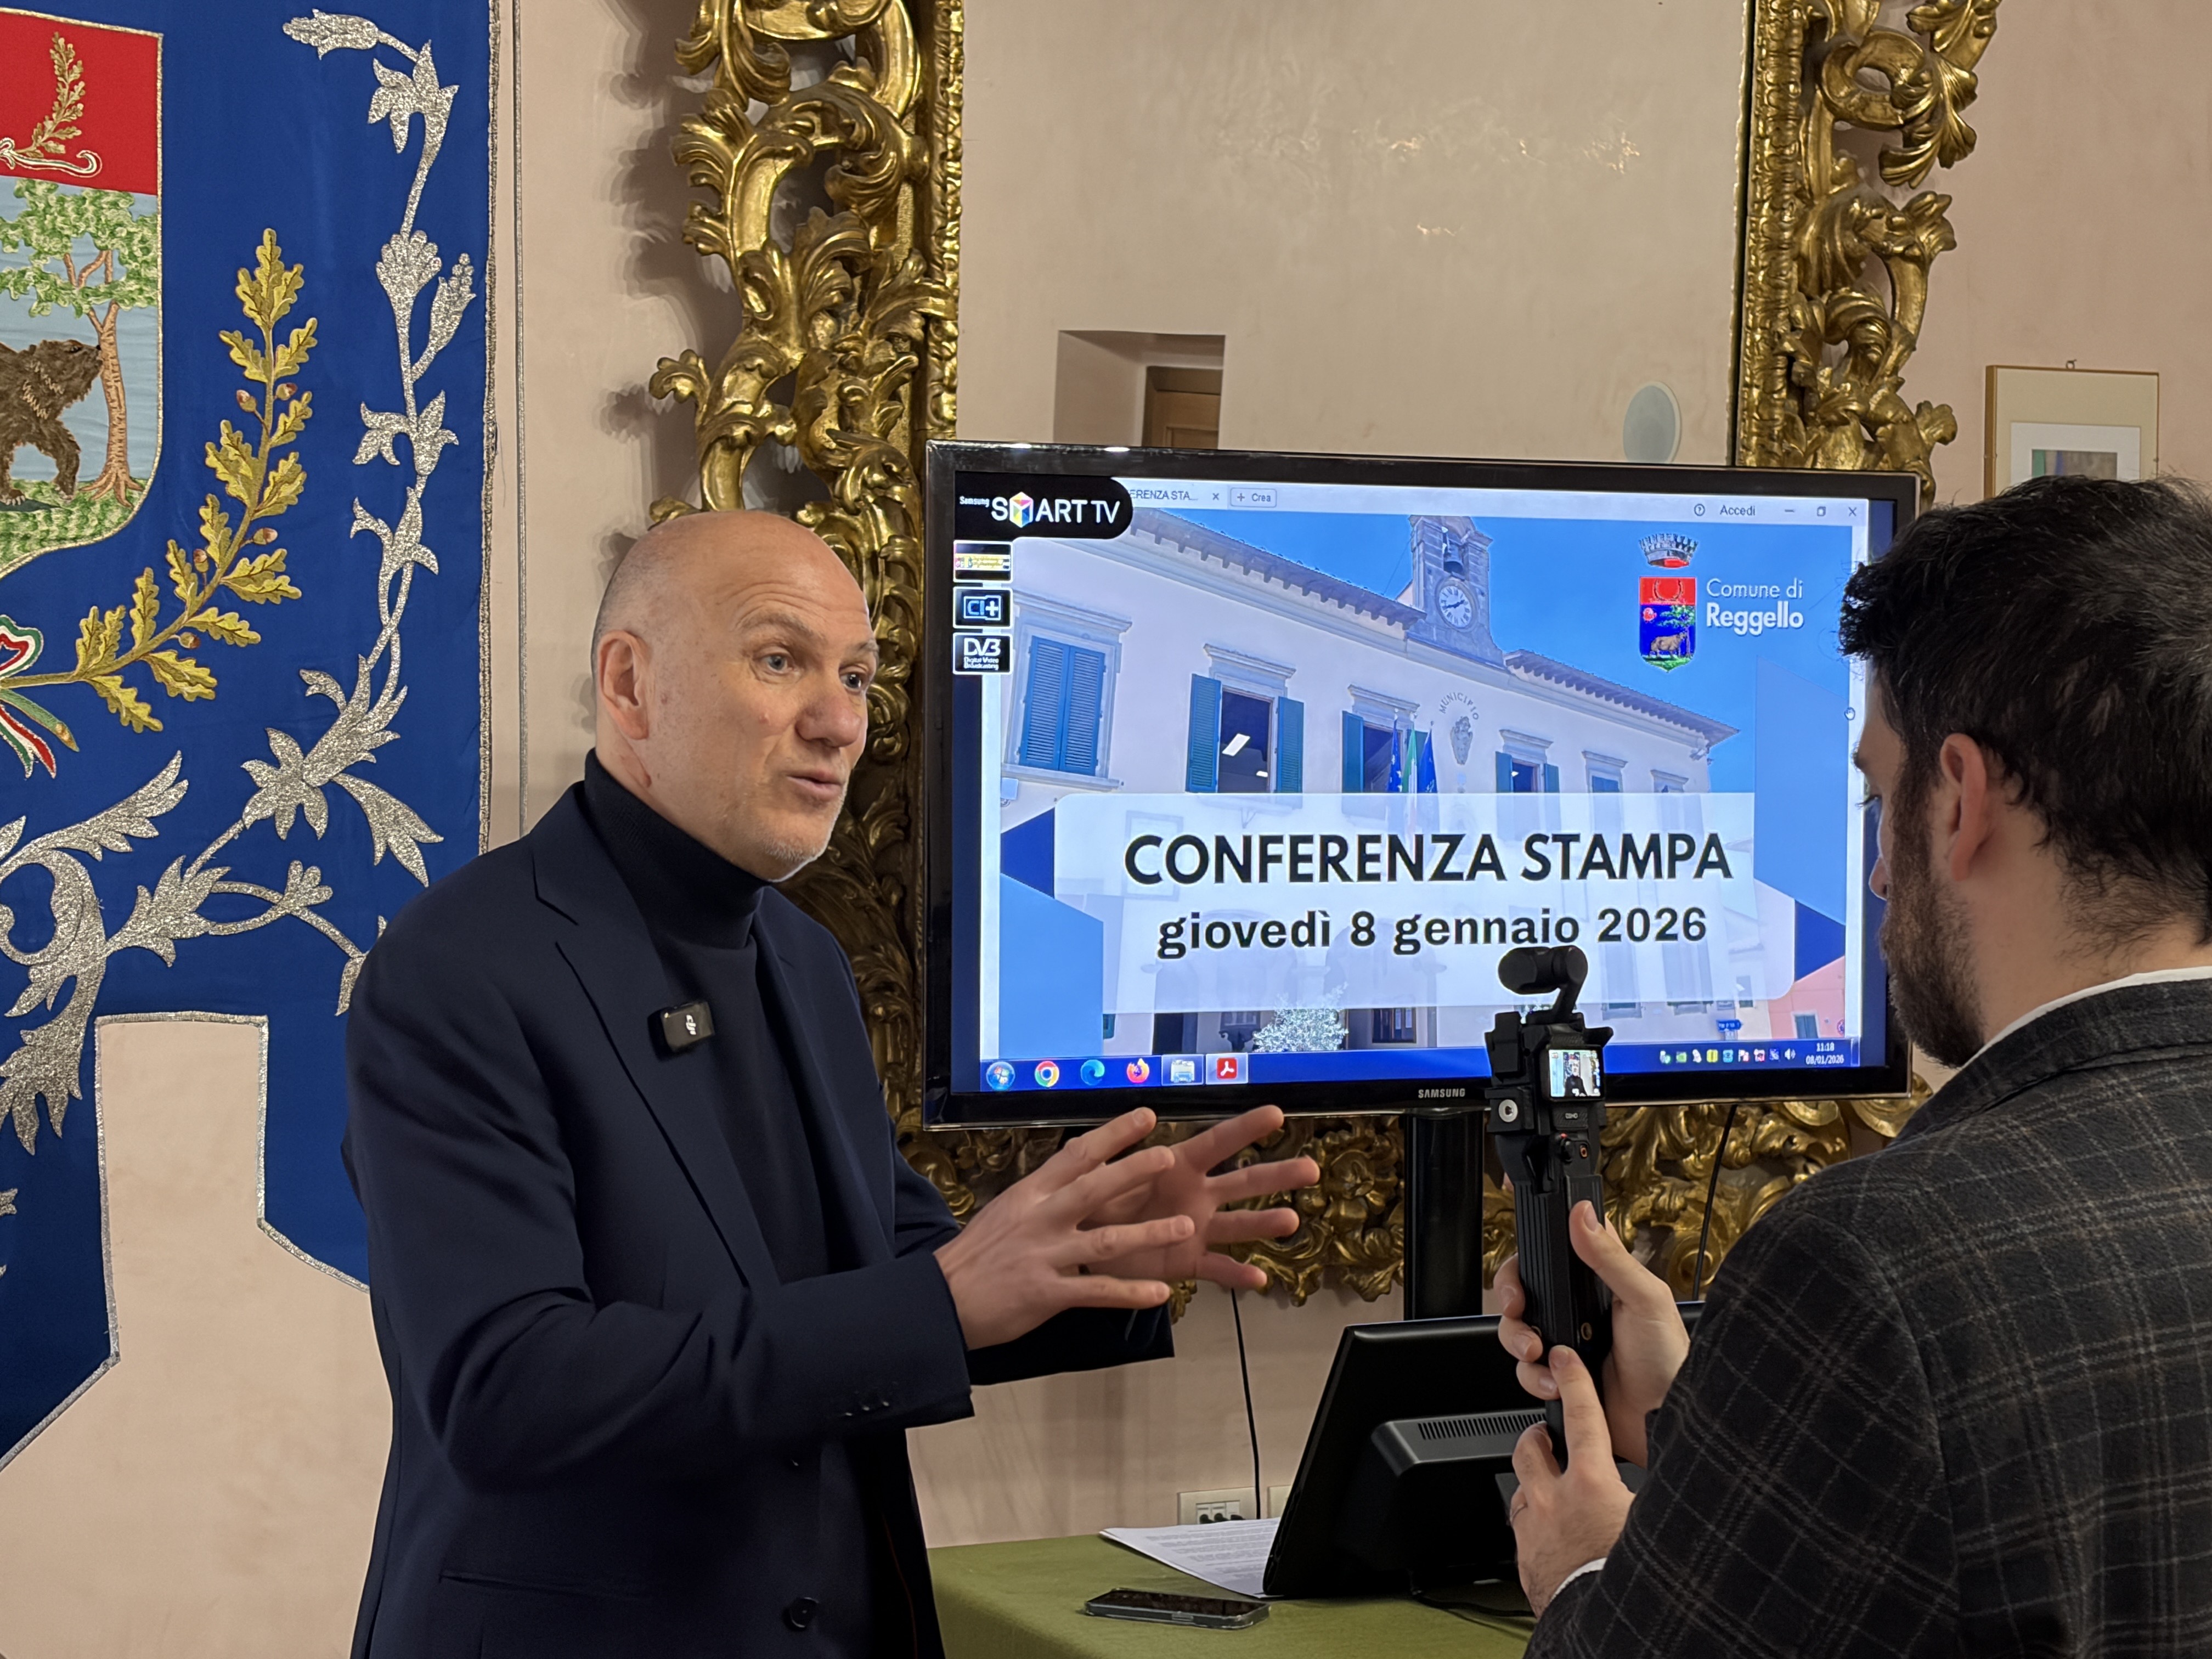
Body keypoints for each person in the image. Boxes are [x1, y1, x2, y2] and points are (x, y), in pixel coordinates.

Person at [342, 510, 1319, 1658]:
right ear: (629, 684)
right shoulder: (459, 967)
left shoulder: (804, 960)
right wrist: (944, 1299)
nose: (840, 722)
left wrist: (1091, 1268)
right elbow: (508, 1391)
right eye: (780, 661)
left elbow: (898, 1279)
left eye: (857, 676)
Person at [1496, 475, 2212, 1654]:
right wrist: (1703, 1418)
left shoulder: (1874, 1269)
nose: (1878, 875)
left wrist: (1585, 1575)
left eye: (1883, 793)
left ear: (1963, 801)